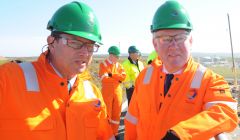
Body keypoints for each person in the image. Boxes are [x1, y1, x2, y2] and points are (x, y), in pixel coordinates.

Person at [0, 1, 115, 140]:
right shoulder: (9, 80)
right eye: (75, 42)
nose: (85, 52)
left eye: (90, 46)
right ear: (51, 42)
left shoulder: (92, 94)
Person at [124, 1, 238, 140]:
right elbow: (132, 120)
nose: (173, 46)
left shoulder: (209, 81)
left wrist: (181, 134)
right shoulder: (144, 76)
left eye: (179, 38)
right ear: (155, 44)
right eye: (166, 38)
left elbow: (226, 112)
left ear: (190, 41)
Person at [99, 46, 126, 139]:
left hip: (118, 92)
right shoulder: (103, 64)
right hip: (107, 92)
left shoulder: (119, 65)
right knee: (107, 114)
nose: (118, 58)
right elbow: (104, 79)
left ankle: (115, 133)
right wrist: (117, 79)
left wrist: (112, 75)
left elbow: (123, 77)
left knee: (117, 113)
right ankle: (107, 134)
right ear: (111, 55)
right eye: (117, 56)